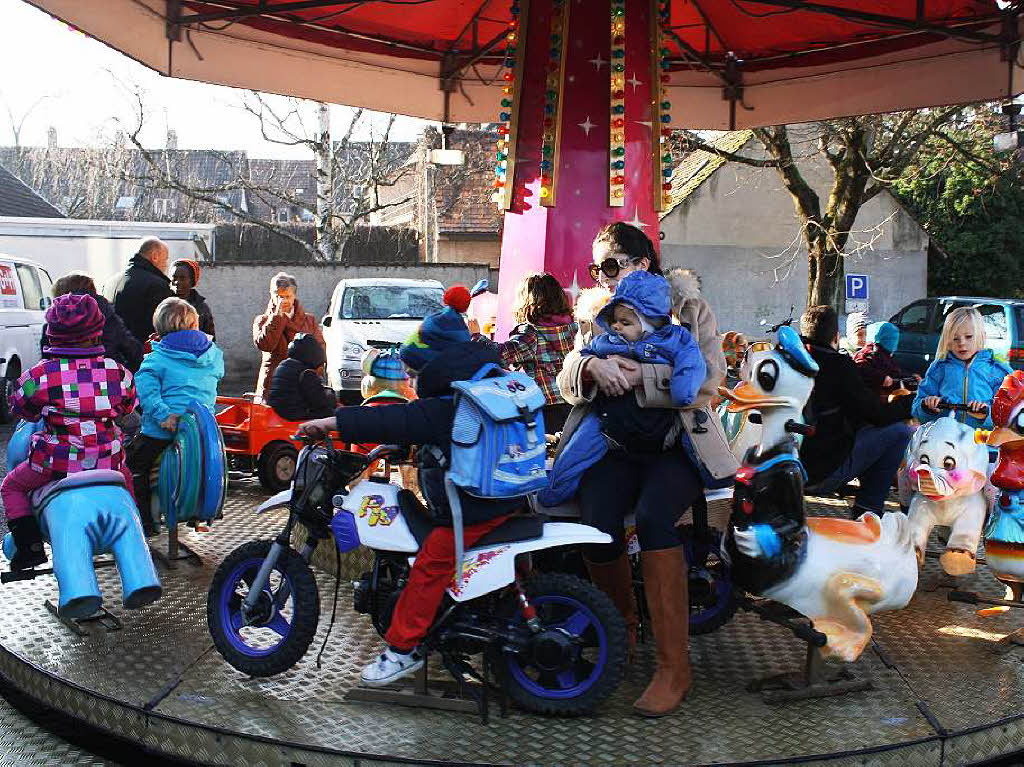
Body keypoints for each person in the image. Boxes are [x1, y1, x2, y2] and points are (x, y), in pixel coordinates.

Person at [554, 221, 737, 718]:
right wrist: (591, 369)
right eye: (598, 268)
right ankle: (622, 628)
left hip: (678, 445)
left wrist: (640, 376)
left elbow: (709, 382)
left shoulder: (690, 310)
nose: (603, 276)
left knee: (657, 520)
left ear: (643, 263)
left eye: (611, 265)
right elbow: (566, 377)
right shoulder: (597, 314)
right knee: (596, 521)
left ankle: (674, 667)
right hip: (614, 444)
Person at [295, 287, 522, 687]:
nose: (412, 381)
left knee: (431, 565)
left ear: (435, 366)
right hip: (498, 496)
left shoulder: (447, 402)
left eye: (416, 373)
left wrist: (328, 423)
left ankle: (402, 650)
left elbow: (391, 419)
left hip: (472, 508)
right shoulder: (482, 383)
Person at [540, 270, 705, 506]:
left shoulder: (674, 338)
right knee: (576, 451)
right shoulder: (606, 340)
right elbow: (576, 361)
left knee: (695, 448)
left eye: (625, 322)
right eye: (614, 320)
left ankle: (715, 477)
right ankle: (554, 493)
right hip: (608, 423)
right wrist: (591, 364)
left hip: (661, 428)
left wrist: (679, 389)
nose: (616, 327)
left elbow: (693, 363)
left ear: (651, 322)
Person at [1, 294, 137, 570]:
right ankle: (134, 530)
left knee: (11, 486)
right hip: (108, 459)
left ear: (52, 333)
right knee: (127, 484)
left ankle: (30, 547)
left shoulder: (40, 375)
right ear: (97, 332)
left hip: (57, 463)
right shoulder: (117, 372)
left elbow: (19, 404)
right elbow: (128, 405)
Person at [798, 305, 914, 518]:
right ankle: (867, 511)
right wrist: (910, 403)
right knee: (899, 432)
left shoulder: (787, 361)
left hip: (786, 467)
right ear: (836, 336)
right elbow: (877, 415)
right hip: (821, 472)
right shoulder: (838, 365)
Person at [128, 297, 224, 535]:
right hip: (201, 430)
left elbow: (147, 393)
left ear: (160, 329)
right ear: (194, 325)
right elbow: (217, 376)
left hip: (163, 430)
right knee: (210, 466)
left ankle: (145, 523)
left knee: (133, 466)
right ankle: (204, 514)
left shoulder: (156, 359)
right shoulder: (213, 355)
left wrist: (165, 416)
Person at [469, 272, 577, 434]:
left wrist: (477, 336)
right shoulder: (573, 327)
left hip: (544, 408)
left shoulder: (531, 332)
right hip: (573, 404)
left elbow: (501, 354)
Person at [912, 306, 1011, 431]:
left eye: (968, 336)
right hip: (946, 442)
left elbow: (1011, 414)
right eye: (955, 338)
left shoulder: (997, 371)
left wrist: (986, 416)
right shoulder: (939, 369)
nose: (962, 343)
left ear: (982, 336)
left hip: (984, 445)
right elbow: (917, 408)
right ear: (947, 341)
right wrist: (927, 408)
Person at [44, 272, 143, 372]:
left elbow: (46, 355)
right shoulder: (107, 313)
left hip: (61, 376)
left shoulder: (54, 319)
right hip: (106, 374)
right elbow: (131, 350)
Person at [252, 272, 324, 402]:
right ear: (271, 295)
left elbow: (320, 352)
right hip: (273, 386)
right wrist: (277, 316)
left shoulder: (309, 321)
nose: (283, 300)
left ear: (294, 296)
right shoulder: (262, 320)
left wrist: (313, 378)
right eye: (278, 296)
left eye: (287, 296)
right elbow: (266, 345)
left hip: (302, 385)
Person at [103, 237, 174, 345]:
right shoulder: (157, 285)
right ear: (155, 256)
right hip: (141, 354)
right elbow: (164, 327)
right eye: (166, 259)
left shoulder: (111, 281)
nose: (166, 264)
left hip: (112, 352)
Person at [267, 333, 337, 421]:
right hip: (296, 415)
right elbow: (319, 402)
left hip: (279, 412)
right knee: (336, 415)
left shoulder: (283, 365)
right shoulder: (306, 373)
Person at [853, 321, 919, 399]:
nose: (894, 342)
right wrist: (881, 378)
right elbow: (860, 367)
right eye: (892, 338)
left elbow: (895, 372)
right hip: (867, 399)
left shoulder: (885, 355)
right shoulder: (865, 354)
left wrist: (913, 377)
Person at [170, 260, 215, 339]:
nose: (177, 282)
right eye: (174, 278)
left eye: (182, 278)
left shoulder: (202, 308)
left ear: (192, 281)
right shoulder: (163, 303)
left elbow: (210, 338)